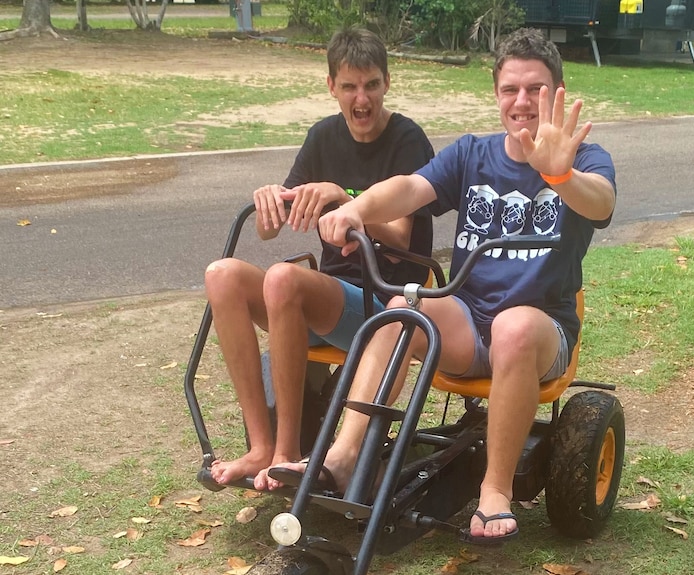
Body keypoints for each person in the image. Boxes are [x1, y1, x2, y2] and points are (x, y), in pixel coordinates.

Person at [283, 27, 616, 544]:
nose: (522, 101)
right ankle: (344, 457)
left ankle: (495, 491)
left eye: (535, 89)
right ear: (496, 93)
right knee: (402, 308)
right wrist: (354, 207)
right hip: (469, 322)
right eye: (511, 89)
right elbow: (410, 189)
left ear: (557, 92)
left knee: (513, 327)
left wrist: (560, 176)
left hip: (540, 330)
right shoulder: (472, 154)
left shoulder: (584, 159)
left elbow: (600, 204)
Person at [204, 27, 434, 492]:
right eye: (349, 86)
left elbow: (401, 235)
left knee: (285, 279)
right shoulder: (323, 137)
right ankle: (260, 446)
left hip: (384, 305)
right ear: (332, 87)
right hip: (325, 300)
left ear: (386, 82)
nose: (361, 98)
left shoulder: (407, 140)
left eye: (370, 84)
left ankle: (287, 453)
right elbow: (271, 228)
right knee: (223, 274)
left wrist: (347, 200)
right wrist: (269, 198)